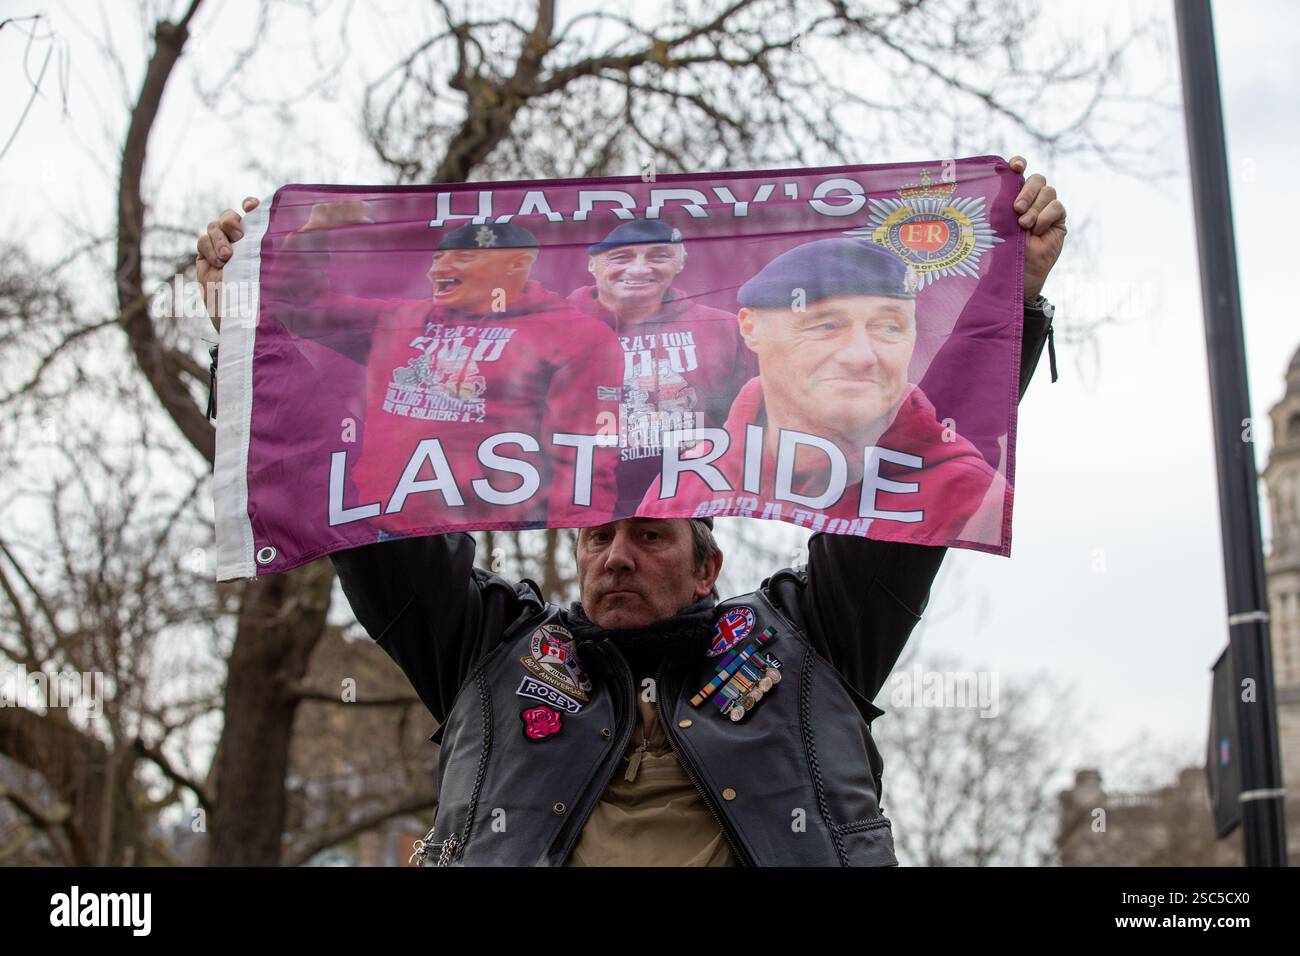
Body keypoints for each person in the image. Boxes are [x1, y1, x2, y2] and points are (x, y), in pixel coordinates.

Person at [196, 155, 1065, 865]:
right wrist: (242, 332)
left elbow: (904, 487)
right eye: (599, 537)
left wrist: (1012, 300)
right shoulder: (488, 655)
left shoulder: (815, 642)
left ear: (707, 568)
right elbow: (364, 504)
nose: (616, 555)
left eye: (650, 537)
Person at [214, 200, 624, 532]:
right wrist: (309, 239)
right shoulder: (401, 320)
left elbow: (586, 464)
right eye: (437, 258)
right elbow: (295, 309)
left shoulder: (573, 334)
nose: (438, 269)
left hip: (502, 538)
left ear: (516, 265)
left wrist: (586, 550)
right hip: (383, 532)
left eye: (462, 258)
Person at [635, 237, 1017, 547]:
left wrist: (1022, 286)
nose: (861, 356)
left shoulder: (975, 495)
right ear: (751, 328)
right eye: (826, 326)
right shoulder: (688, 481)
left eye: (888, 327)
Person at [567, 219, 758, 516]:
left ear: (680, 262)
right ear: (593, 265)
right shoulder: (553, 327)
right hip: (584, 504)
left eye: (659, 256)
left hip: (690, 505)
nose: (640, 269)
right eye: (621, 256)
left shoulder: (723, 328)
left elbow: (752, 416)